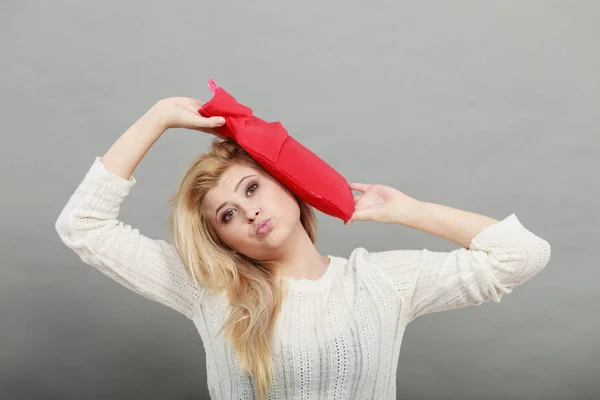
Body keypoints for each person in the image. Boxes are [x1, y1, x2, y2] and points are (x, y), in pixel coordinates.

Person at [54, 96, 552, 400]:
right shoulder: (211, 289)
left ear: (287, 185)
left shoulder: (378, 281)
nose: (247, 211)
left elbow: (521, 254)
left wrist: (407, 209)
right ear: (221, 239)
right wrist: (158, 116)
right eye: (226, 214)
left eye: (251, 188)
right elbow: (83, 225)